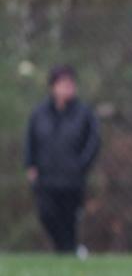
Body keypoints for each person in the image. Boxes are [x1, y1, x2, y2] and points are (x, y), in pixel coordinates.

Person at [25, 65, 101, 255]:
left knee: (69, 218)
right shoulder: (39, 113)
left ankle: (68, 252)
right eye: (63, 84)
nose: (68, 88)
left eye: (71, 84)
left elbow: (94, 141)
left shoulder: (84, 113)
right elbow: (30, 140)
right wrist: (30, 165)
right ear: (53, 86)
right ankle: (66, 250)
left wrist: (81, 165)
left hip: (72, 178)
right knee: (47, 214)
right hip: (46, 176)